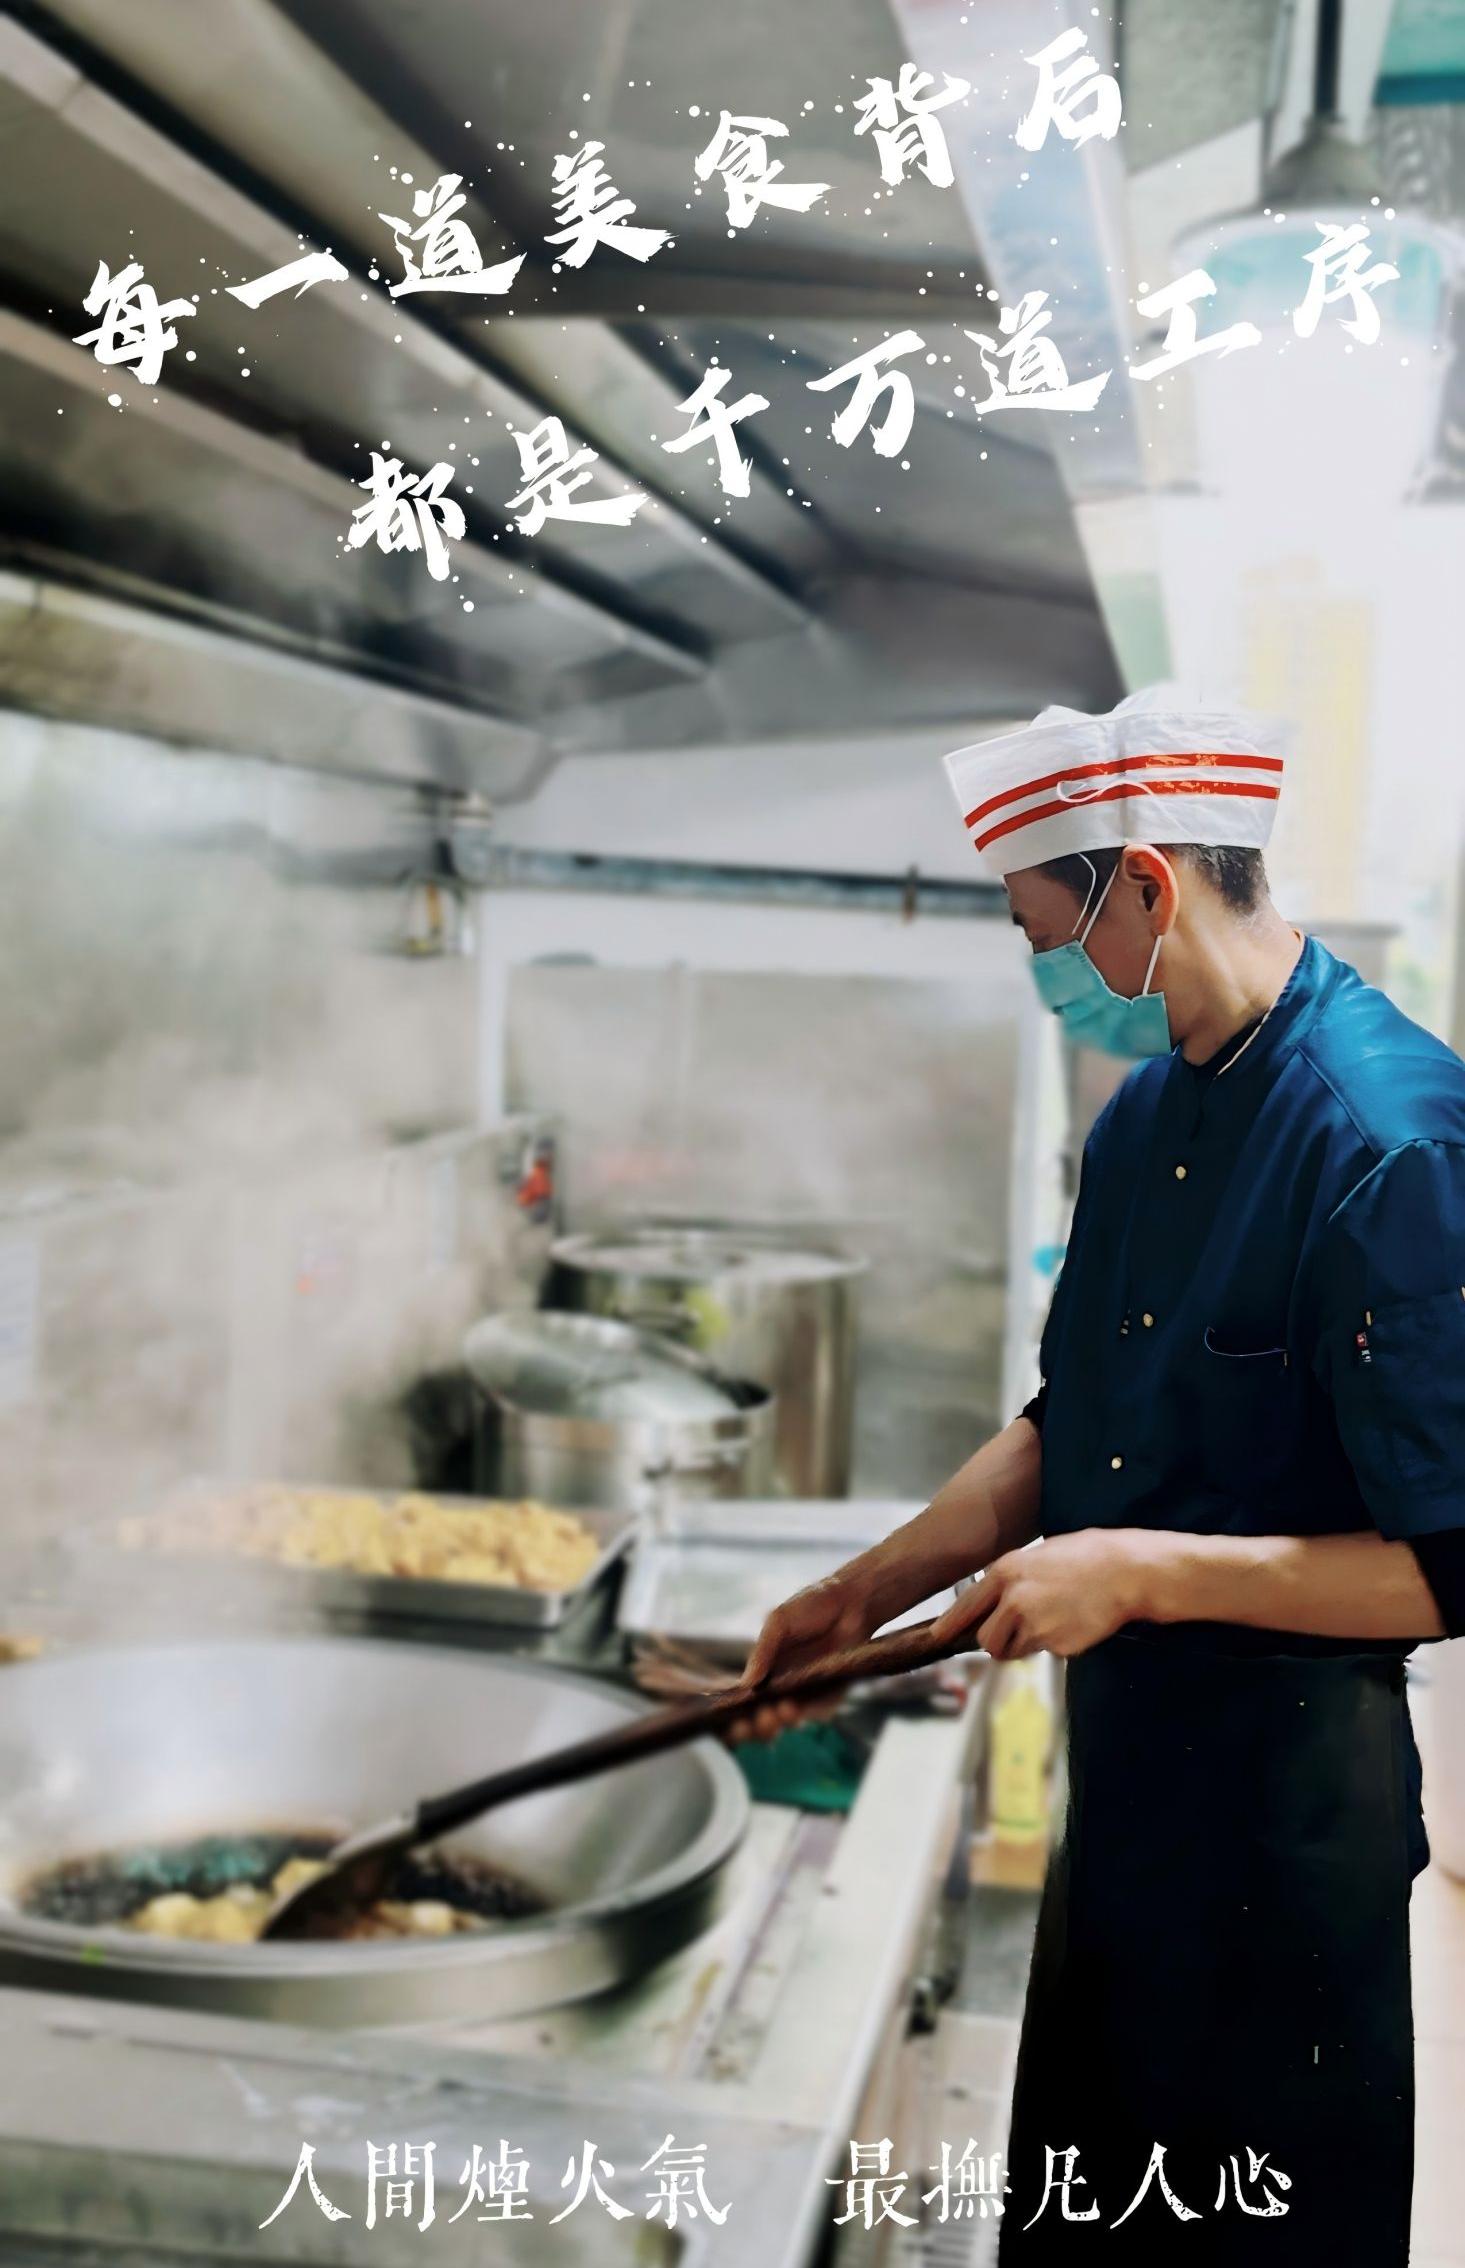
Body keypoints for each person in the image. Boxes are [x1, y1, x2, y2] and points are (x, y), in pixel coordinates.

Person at [726, 686, 1465, 2264]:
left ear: (1142, 884)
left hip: (1284, 1852)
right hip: (1122, 1809)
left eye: (1038, 928)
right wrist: (864, 1593)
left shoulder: (1386, 1142)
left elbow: (1448, 1566)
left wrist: (1136, 1572)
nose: (1042, 966)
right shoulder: (1142, 1114)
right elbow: (1072, 1424)